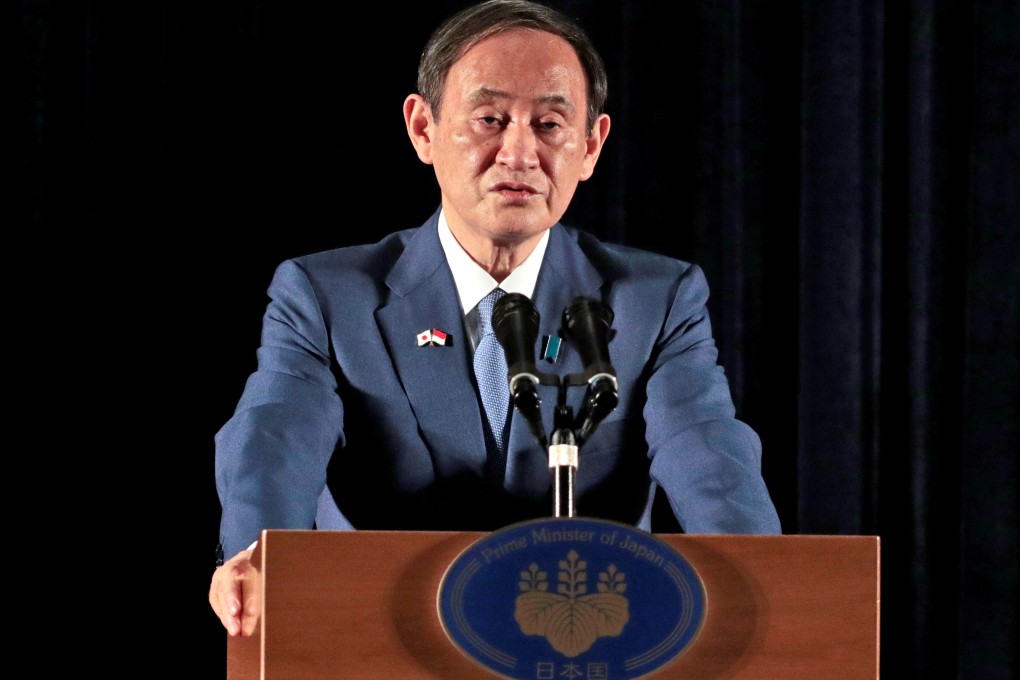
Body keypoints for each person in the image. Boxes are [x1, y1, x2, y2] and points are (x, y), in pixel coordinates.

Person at [209, 0, 781, 637]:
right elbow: (276, 436)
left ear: (591, 145)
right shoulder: (326, 296)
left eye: (549, 124)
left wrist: (759, 572)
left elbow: (706, 449)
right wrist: (255, 553)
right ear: (423, 128)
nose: (519, 152)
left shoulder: (654, 298)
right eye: (489, 119)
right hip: (381, 639)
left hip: (592, 647)